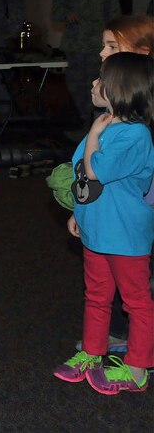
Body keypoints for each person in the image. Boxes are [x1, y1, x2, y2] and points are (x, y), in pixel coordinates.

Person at [53, 52, 153, 394]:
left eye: (101, 80)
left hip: (125, 238)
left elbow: (96, 168)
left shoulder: (134, 135)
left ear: (119, 89)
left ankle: (137, 367)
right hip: (99, 231)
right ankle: (93, 353)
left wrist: (94, 133)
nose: (94, 84)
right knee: (96, 296)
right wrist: (78, 212)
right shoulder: (107, 124)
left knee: (136, 302)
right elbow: (85, 180)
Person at [52, 0, 121, 128]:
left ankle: (96, 126)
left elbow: (114, 14)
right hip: (74, 45)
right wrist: (67, 14)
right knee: (75, 87)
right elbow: (55, 11)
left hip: (97, 47)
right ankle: (86, 123)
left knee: (99, 87)